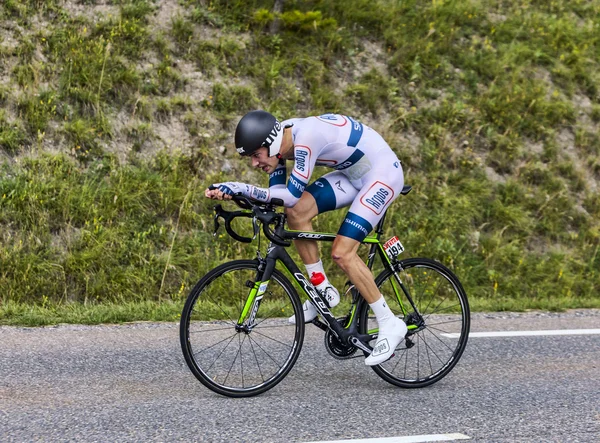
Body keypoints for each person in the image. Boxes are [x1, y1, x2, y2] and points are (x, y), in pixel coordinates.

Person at [205, 110, 407, 366]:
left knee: (342, 252)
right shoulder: (279, 143)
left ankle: (391, 323)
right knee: (296, 212)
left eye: (256, 155)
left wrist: (240, 187)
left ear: (273, 143)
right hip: (352, 174)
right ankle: (321, 286)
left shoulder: (306, 138)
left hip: (381, 175)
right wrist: (235, 196)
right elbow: (278, 195)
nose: (254, 163)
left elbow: (287, 194)